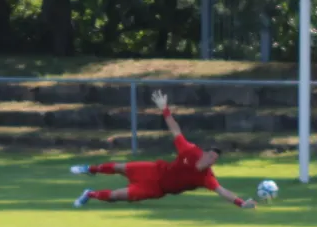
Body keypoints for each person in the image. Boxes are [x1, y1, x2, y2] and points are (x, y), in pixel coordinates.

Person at [70, 90, 257, 209]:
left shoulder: (206, 177)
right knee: (121, 166)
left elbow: (223, 191)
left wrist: (242, 204)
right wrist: (165, 109)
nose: (211, 161)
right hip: (154, 169)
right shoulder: (190, 151)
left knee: (118, 196)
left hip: (156, 188)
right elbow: (175, 130)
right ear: (204, 154)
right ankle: (90, 169)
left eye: (214, 161)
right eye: (210, 157)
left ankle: (89, 194)